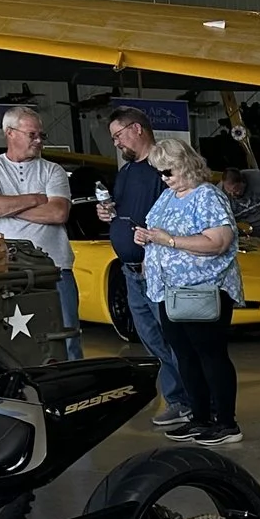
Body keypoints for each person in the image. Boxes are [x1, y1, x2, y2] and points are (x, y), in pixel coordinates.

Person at [138, 135, 244, 446]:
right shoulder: (168, 197)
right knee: (185, 355)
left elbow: (218, 242)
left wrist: (169, 241)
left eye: (167, 171)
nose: (164, 178)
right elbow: (158, 233)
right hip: (168, 292)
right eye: (159, 172)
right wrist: (146, 238)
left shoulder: (207, 196)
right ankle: (200, 417)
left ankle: (226, 422)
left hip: (204, 289)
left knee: (210, 354)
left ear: (185, 165)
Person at [0, 105, 82, 361]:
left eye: (41, 135)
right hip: (11, 270)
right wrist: (35, 198)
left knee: (67, 336)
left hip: (56, 268)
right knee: (15, 339)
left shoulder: (53, 170)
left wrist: (7, 208)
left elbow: (57, 213)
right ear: (10, 133)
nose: (39, 140)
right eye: (32, 134)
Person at [104, 107, 188, 430]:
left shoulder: (164, 167)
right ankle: (179, 400)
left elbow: (182, 212)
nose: (116, 143)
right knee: (153, 339)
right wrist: (108, 214)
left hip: (159, 271)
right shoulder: (126, 172)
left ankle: (193, 400)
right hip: (131, 271)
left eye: (118, 135)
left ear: (137, 129)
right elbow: (125, 211)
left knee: (175, 338)